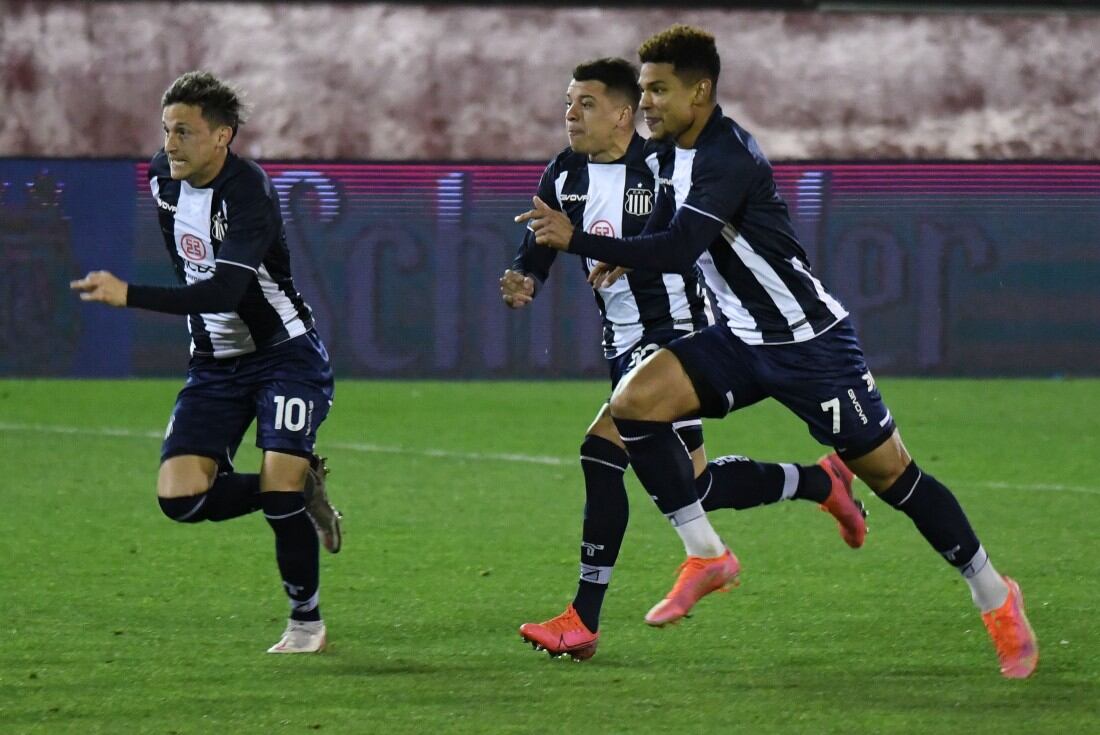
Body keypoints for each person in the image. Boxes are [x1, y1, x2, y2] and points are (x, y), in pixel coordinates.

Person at [518, 27, 1038, 679]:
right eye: (643, 89)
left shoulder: (726, 154)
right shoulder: (670, 154)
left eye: (659, 89)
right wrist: (628, 247)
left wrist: (593, 246)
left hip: (810, 342)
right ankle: (706, 554)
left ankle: (993, 592)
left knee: (895, 478)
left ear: (699, 91)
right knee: (634, 406)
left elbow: (681, 244)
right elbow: (666, 220)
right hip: (739, 338)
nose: (647, 100)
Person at [505, 58, 868, 661]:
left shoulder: (664, 164)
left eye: (585, 103)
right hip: (620, 346)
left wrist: (637, 254)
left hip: (676, 335)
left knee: (601, 451)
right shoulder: (562, 174)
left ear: (623, 114)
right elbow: (541, 245)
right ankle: (817, 480)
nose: (570, 113)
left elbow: (688, 239)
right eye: (568, 102)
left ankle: (587, 617)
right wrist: (523, 275)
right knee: (693, 484)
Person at [70, 71, 343, 654]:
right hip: (215, 364)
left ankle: (306, 624)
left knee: (277, 490)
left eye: (185, 132)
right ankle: (299, 485)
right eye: (167, 130)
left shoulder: (249, 195)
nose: (170, 143)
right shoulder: (160, 180)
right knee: (181, 498)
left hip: (284, 356)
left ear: (223, 137)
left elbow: (223, 293)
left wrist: (130, 294)